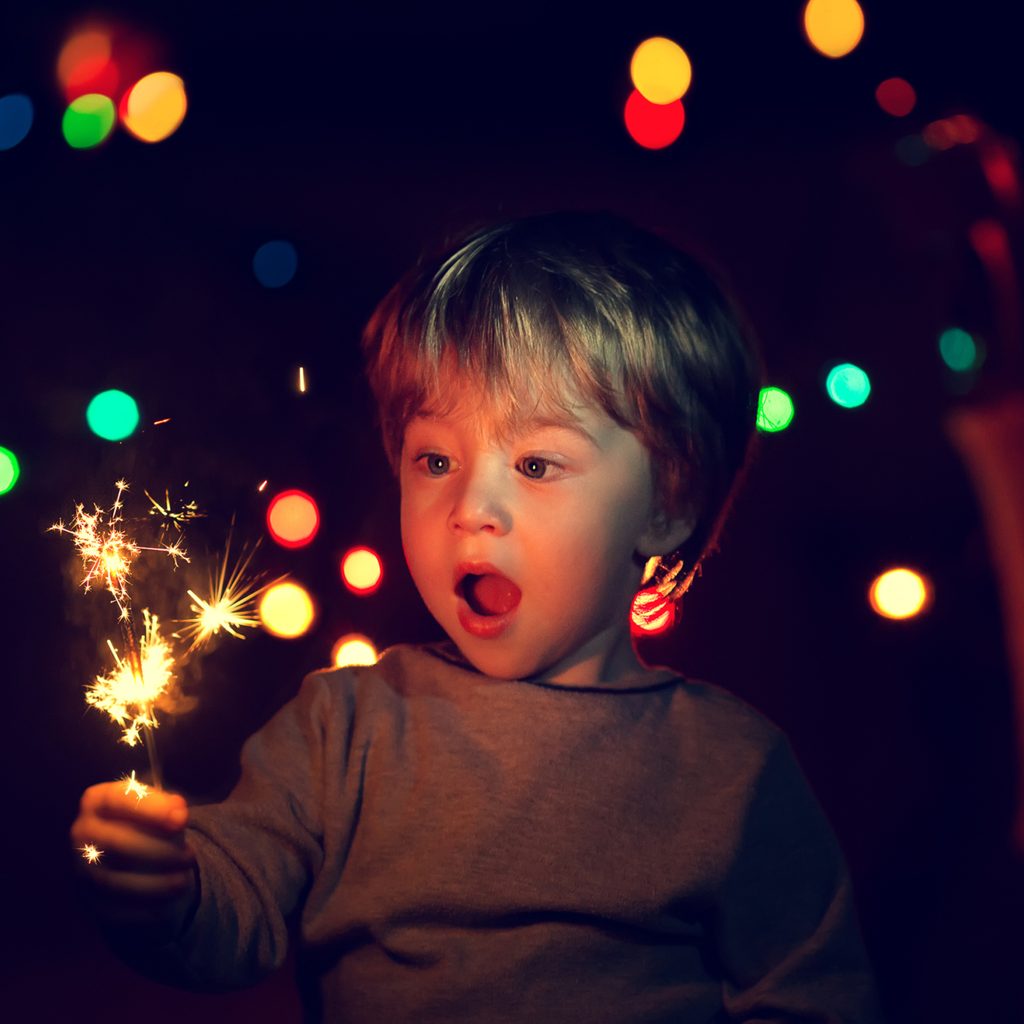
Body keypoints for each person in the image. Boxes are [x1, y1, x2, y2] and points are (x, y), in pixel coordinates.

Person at [71, 211, 883, 1022]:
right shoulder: (343, 730)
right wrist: (165, 885)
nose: (471, 507)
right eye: (436, 460)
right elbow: (231, 915)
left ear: (666, 508)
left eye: (535, 463)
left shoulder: (729, 771)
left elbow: (815, 1000)